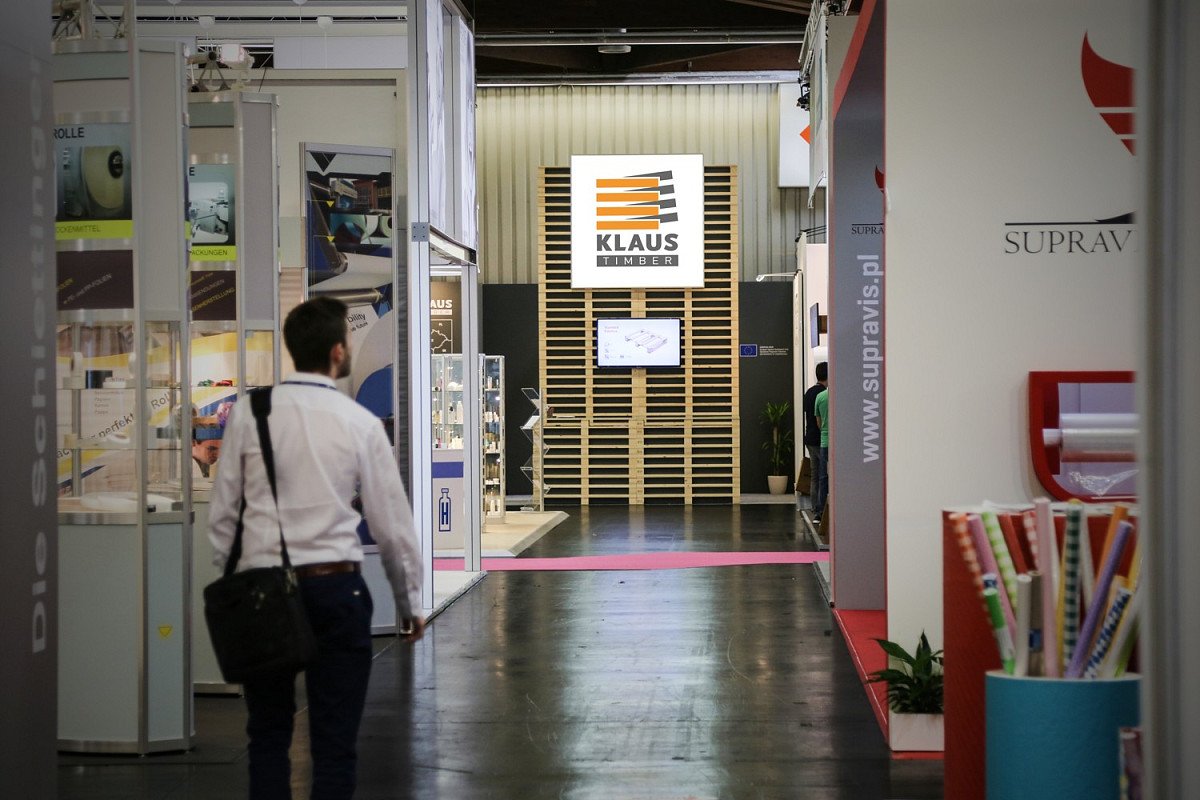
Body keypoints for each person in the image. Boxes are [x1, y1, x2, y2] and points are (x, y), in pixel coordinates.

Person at [208, 296, 424, 800]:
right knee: (334, 743)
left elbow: (223, 517)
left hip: (262, 590)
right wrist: (409, 601)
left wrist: (237, 579)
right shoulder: (359, 422)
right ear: (337, 351)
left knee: (267, 734)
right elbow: (391, 525)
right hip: (336, 590)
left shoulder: (250, 413)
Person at [801, 362, 828, 509]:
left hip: (809, 437)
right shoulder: (824, 395)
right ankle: (821, 508)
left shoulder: (809, 393)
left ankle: (814, 506)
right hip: (820, 439)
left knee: (814, 475)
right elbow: (821, 421)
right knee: (823, 475)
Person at [813, 381, 831, 522]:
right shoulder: (841, 397)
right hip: (840, 444)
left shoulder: (820, 397)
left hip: (825, 441)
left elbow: (818, 422)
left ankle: (820, 513)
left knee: (823, 477)